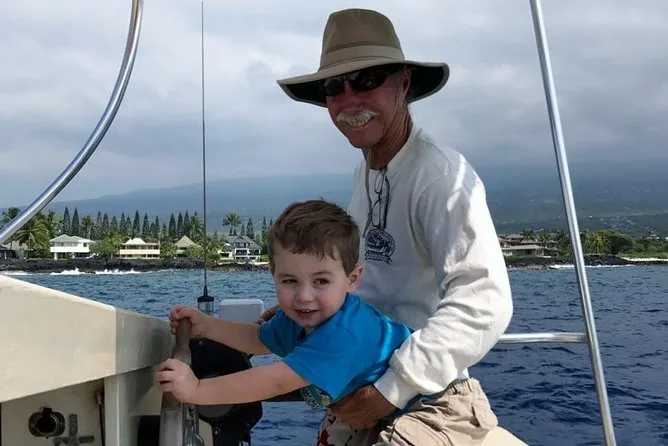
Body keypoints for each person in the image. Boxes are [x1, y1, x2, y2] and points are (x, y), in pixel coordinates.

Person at [258, 7, 516, 445]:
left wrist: (391, 388)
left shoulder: (439, 176)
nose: (349, 101)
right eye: (334, 87)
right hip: (364, 380)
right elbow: (365, 282)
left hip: (428, 396)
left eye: (367, 79)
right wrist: (303, 313)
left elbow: (484, 300)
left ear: (404, 84)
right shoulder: (365, 174)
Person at [156, 199, 419, 429]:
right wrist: (207, 326)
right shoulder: (302, 316)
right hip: (377, 412)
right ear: (273, 274)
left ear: (352, 279)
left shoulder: (345, 334)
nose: (304, 296)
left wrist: (197, 390)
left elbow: (276, 382)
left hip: (426, 406)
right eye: (290, 281)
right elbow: (258, 339)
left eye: (321, 281)